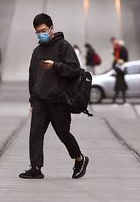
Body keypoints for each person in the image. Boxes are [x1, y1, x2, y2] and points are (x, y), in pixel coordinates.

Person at [20, 13, 89, 180]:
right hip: (40, 101)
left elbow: (75, 71)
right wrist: (32, 100)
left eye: (43, 30)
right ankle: (36, 168)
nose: (40, 34)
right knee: (35, 134)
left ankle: (79, 158)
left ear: (51, 28)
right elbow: (32, 77)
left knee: (63, 134)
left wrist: (56, 66)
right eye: (37, 32)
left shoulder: (64, 47)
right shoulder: (37, 51)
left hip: (59, 101)